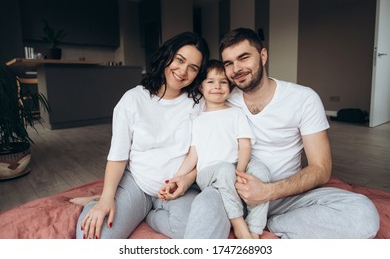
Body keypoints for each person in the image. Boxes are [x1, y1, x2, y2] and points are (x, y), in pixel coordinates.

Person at [217, 27, 380, 238]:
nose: (236, 68)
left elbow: (321, 168)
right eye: (228, 63)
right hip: (236, 199)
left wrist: (267, 192)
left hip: (286, 198)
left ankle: (275, 224)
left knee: (363, 214)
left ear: (263, 56)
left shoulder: (303, 99)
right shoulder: (223, 100)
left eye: (244, 57)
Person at [72, 32, 231, 239]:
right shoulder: (132, 100)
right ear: (167, 56)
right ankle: (99, 200)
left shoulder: (200, 102)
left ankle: (148, 215)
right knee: (96, 237)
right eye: (179, 60)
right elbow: (118, 156)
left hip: (178, 187)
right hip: (137, 183)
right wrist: (107, 199)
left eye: (193, 68)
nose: (183, 71)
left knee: (195, 231)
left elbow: (203, 150)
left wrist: (185, 179)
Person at [159, 60, 270, 239]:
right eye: (210, 82)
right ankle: (238, 222)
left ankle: (255, 228)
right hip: (208, 174)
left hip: (234, 167)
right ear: (201, 88)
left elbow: (244, 145)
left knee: (261, 170)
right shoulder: (198, 120)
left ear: (230, 87)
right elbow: (193, 155)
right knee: (225, 170)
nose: (217, 86)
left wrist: (240, 172)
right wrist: (176, 178)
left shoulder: (236, 113)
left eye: (223, 82)